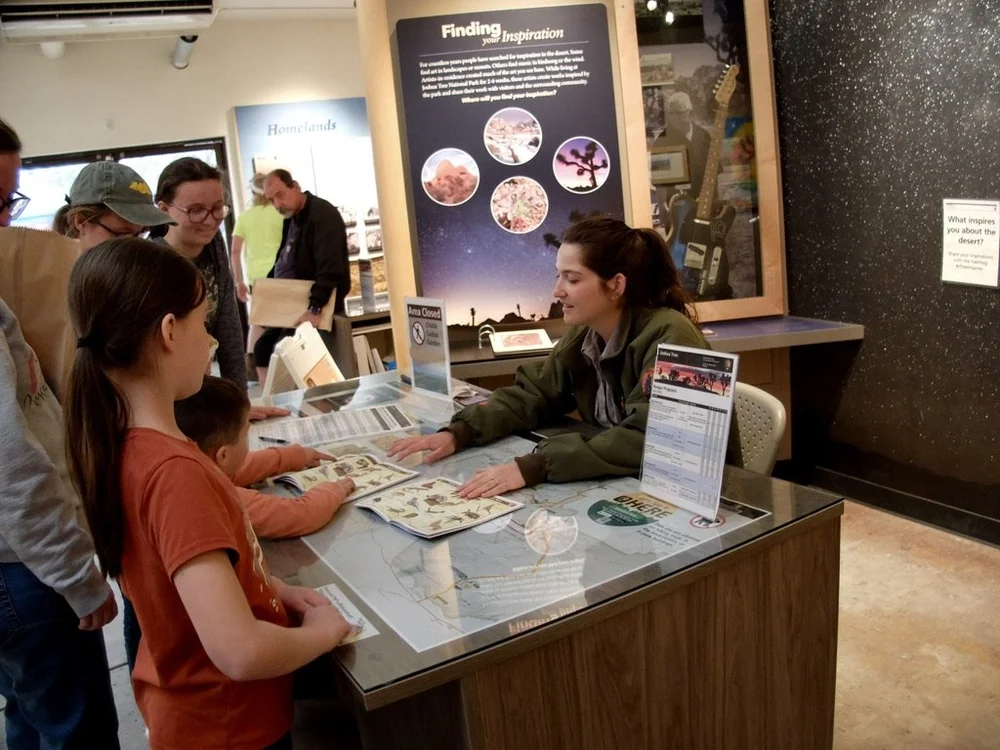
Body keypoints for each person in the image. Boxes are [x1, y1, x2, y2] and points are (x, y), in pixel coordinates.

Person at [64, 237, 354, 749]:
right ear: (169, 331)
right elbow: (238, 651)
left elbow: (188, 588)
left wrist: (279, 593)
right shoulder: (175, 473)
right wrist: (325, 634)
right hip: (228, 725)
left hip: (194, 711)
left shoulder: (126, 445)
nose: (214, 342)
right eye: (203, 324)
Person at [388, 216, 741, 497]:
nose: (557, 291)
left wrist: (538, 465)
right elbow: (535, 393)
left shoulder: (675, 337)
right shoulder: (586, 333)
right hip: (631, 484)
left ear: (616, 285)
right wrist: (460, 432)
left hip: (693, 496)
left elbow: (653, 439)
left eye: (571, 279)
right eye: (558, 276)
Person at [0, 117, 121, 748]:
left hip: (22, 564)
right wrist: (77, 576)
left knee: (33, 716)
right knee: (77, 729)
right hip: (26, 570)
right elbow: (12, 465)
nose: (4, 220)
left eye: (9, 201)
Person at [119, 374, 356, 673]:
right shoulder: (192, 490)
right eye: (247, 433)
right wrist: (321, 634)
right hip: (226, 703)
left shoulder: (167, 456)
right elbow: (296, 515)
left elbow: (239, 465)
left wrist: (293, 456)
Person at [153, 157, 248, 391]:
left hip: (202, 384)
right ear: (164, 210)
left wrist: (239, 401)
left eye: (217, 208)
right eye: (196, 211)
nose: (210, 220)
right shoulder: (152, 261)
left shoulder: (214, 243)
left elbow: (228, 323)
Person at [254, 169, 350, 382]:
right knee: (261, 348)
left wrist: (315, 308)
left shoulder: (322, 215)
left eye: (280, 195)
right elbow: (283, 260)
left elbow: (330, 268)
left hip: (316, 306)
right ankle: (271, 403)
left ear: (294, 186)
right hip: (294, 303)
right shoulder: (292, 218)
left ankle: (291, 404)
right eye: (271, 200)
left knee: (283, 352)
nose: (277, 204)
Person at [54, 160, 175, 250]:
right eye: (122, 235)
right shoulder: (50, 278)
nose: (134, 248)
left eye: (140, 234)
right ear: (81, 222)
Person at [232, 173, 285, 356]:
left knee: (258, 323)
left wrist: (239, 281)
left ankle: (253, 366)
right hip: (282, 273)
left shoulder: (245, 218)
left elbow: (235, 251)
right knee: (288, 320)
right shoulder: (280, 213)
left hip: (259, 278)